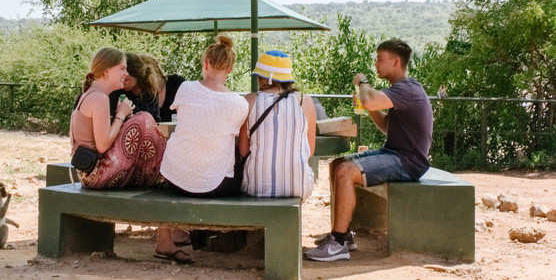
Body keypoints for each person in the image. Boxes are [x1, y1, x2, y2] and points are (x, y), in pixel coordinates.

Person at [305, 39, 433, 262]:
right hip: (394, 153)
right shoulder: (400, 90)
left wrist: (363, 83)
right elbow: (385, 125)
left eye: (380, 60)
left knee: (346, 171)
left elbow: (372, 100)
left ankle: (338, 243)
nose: (376, 64)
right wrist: (366, 104)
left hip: (408, 161)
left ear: (395, 62)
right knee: (338, 164)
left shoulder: (407, 89)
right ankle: (343, 235)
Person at [154, 34, 248, 263]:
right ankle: (216, 236)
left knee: (188, 157)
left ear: (205, 64)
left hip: (174, 177)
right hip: (212, 185)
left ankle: (166, 239)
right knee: (241, 165)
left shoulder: (185, 88)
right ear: (230, 69)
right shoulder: (239, 103)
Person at [69, 47, 166, 189]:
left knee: (140, 119)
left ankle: (156, 174)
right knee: (143, 119)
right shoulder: (99, 98)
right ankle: (160, 174)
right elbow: (102, 146)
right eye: (122, 69)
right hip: (96, 174)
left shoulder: (93, 94)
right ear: (107, 70)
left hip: (89, 173)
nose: (125, 74)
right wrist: (121, 114)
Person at [239, 50, 317, 201]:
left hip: (256, 187)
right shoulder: (304, 101)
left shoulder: (249, 101)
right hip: (299, 186)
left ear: (263, 78)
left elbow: (243, 151)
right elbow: (310, 150)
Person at [109, 52, 185, 122]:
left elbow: (153, 120)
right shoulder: (119, 91)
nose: (122, 82)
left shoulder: (150, 92)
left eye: (126, 80)